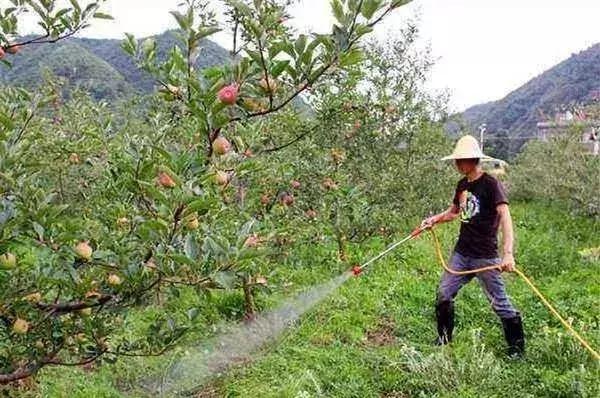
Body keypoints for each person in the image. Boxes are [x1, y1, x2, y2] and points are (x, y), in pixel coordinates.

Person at [420, 135, 524, 357]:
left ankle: (517, 350)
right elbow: (453, 213)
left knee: (500, 303)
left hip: (485, 256)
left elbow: (505, 217)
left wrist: (507, 254)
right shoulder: (462, 185)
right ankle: (444, 339)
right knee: (444, 294)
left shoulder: (490, 184)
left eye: (461, 160)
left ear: (473, 159)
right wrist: (433, 220)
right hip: (462, 253)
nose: (457, 164)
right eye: (456, 160)